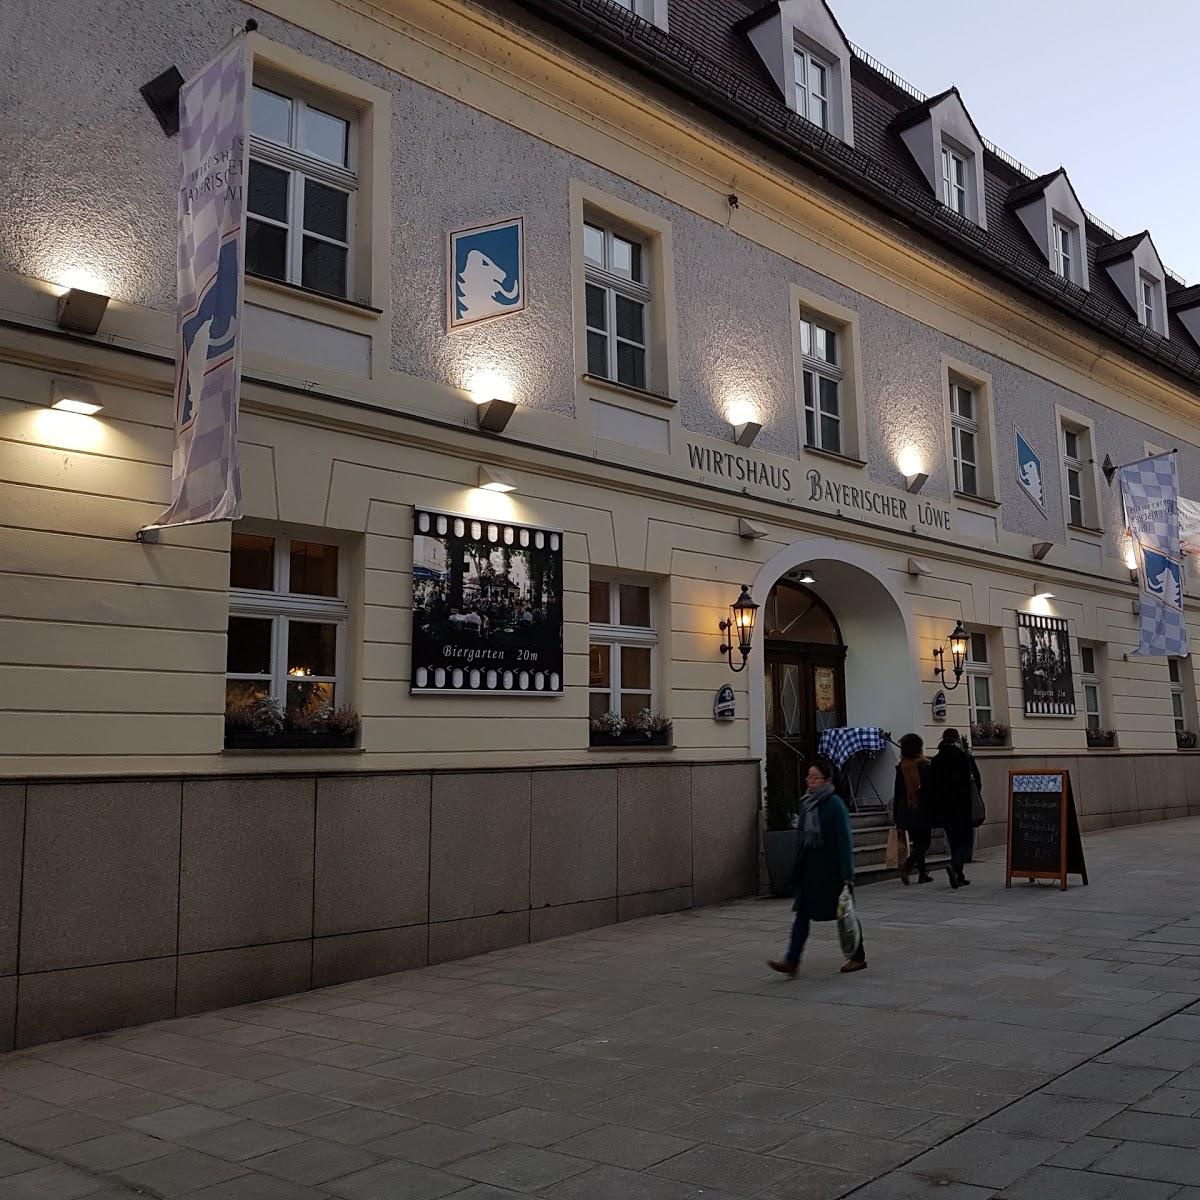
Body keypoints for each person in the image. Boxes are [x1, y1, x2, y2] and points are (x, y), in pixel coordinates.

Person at [768, 758, 866, 976]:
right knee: (802, 915)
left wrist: (847, 876)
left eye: (815, 778)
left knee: (846, 914)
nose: (810, 782)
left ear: (828, 780)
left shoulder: (835, 806)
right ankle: (791, 961)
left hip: (831, 872)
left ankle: (858, 956)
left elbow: (844, 842)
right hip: (810, 871)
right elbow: (802, 839)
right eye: (808, 777)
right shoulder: (807, 804)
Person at [928, 728, 981, 888]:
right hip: (963, 806)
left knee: (953, 841)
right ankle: (955, 864)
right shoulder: (964, 758)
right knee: (965, 841)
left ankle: (959, 874)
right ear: (957, 739)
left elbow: (931, 785)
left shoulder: (936, 760)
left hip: (944, 808)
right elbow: (977, 781)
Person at [893, 733, 933, 885]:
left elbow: (897, 793)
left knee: (917, 842)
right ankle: (908, 865)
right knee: (925, 842)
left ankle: (922, 874)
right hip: (921, 808)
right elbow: (929, 790)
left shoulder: (901, 767)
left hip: (906, 810)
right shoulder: (923, 766)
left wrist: (896, 814)